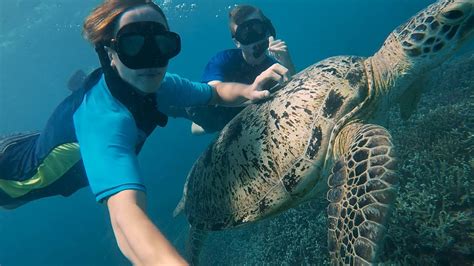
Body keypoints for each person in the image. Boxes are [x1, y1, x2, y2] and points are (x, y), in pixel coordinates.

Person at [0, 0, 290, 265]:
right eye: (134, 45)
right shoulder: (105, 121)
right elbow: (126, 222)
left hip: (41, 148)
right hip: (8, 170)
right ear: (109, 51)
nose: (151, 60)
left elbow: (214, 93)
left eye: (161, 45)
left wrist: (249, 90)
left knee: (25, 192)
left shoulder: (161, 85)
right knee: (14, 196)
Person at [171, 4, 296, 135]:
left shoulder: (274, 67)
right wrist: (249, 92)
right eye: (246, 34)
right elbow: (213, 91)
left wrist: (286, 61)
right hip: (217, 112)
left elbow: (291, 91)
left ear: (268, 30)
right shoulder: (223, 60)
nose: (255, 39)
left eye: (258, 29)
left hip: (245, 115)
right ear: (237, 42)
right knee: (188, 108)